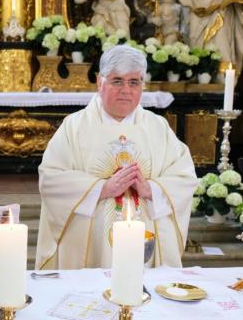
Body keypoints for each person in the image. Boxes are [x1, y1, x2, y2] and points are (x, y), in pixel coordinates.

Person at [35, 44, 198, 270]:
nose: (126, 90)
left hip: (145, 249)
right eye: (117, 81)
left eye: (134, 82)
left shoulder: (157, 127)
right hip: (90, 253)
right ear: (99, 82)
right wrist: (101, 189)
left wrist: (151, 189)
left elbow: (184, 178)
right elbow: (51, 179)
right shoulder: (74, 126)